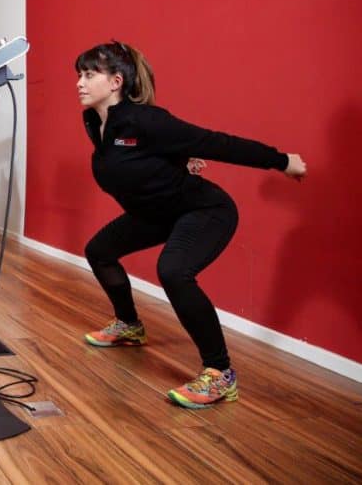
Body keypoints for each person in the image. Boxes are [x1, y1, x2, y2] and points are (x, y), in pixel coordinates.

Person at [75, 40, 306, 409]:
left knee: (173, 271)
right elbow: (136, 157)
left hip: (204, 209)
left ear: (116, 82)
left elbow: (215, 143)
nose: (80, 83)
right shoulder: (95, 122)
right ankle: (129, 325)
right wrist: (180, 160)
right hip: (156, 213)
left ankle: (220, 373)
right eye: (80, 75)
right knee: (99, 251)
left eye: (89, 75)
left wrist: (282, 161)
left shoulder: (145, 119)